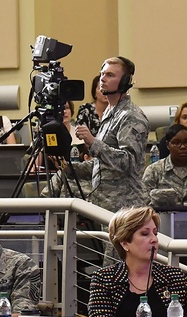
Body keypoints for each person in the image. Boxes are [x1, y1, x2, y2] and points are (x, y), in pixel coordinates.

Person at [87, 206, 187, 317]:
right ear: (125, 243)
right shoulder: (104, 278)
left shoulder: (172, 276)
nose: (154, 239)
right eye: (145, 234)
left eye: (155, 233)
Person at [72, 57, 150, 211]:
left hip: (125, 207)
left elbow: (128, 162)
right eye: (102, 74)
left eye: (110, 75)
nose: (102, 78)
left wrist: (93, 142)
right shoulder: (110, 112)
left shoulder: (131, 116)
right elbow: (104, 164)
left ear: (124, 82)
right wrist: (69, 168)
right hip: (106, 205)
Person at [141, 124, 187, 206]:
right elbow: (145, 205)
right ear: (167, 145)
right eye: (176, 143)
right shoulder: (153, 171)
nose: (182, 147)